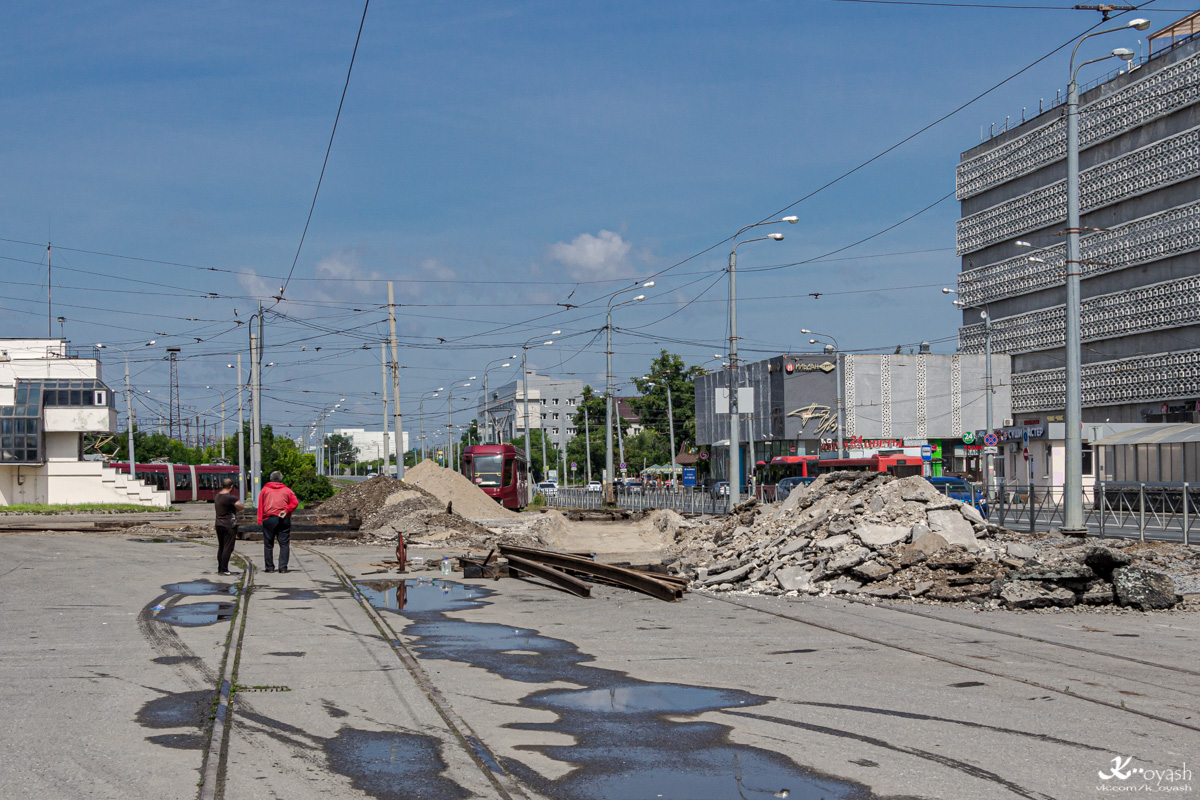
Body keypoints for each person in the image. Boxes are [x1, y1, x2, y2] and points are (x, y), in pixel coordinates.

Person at [257, 471, 299, 574]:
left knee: (268, 544)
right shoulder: (287, 490)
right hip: (283, 519)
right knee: (284, 544)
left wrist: (260, 519)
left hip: (269, 519)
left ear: (270, 479)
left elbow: (260, 505)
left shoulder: (265, 490)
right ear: (281, 479)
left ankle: (270, 567)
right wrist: (286, 510)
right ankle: (283, 567)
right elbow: (295, 503)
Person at [214, 478, 244, 576]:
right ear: (231, 486)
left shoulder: (217, 496)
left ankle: (220, 568)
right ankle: (224, 569)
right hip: (229, 525)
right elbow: (241, 506)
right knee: (228, 547)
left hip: (218, 524)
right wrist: (235, 510)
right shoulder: (230, 498)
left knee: (221, 547)